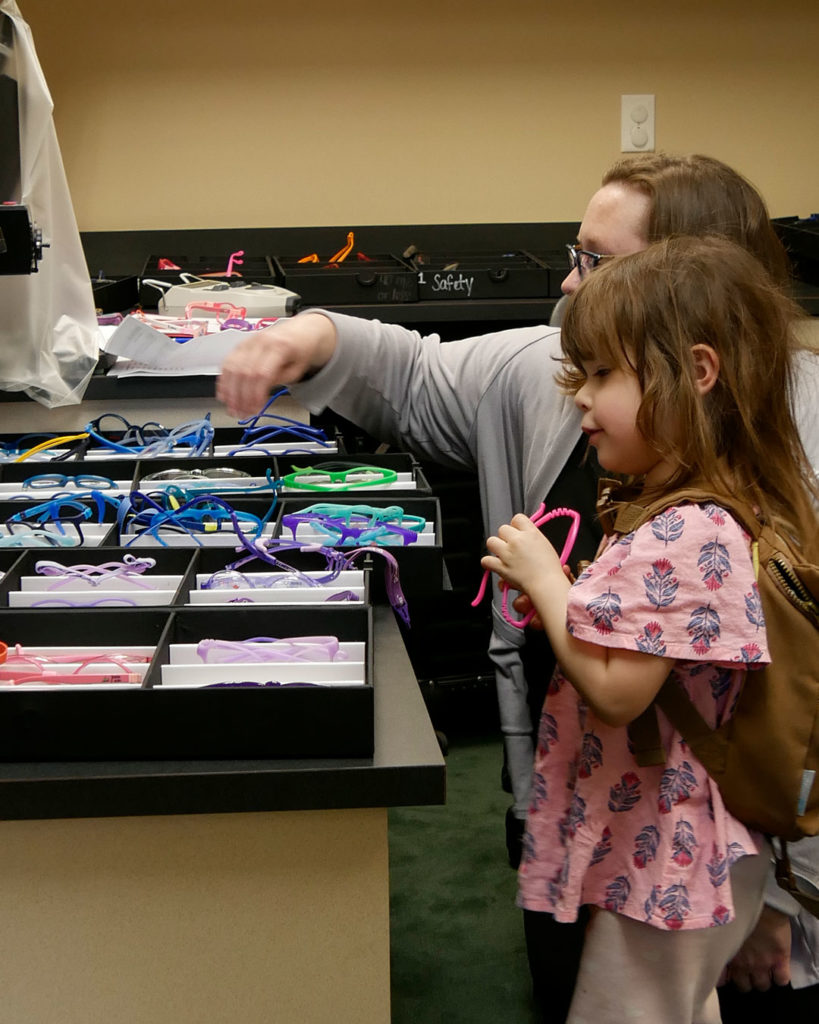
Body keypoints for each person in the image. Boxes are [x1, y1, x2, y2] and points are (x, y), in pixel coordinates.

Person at [217, 153, 819, 1020]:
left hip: (700, 862)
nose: (572, 286)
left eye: (600, 264)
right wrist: (304, 336)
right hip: (599, 818)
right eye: (574, 255)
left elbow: (790, 704)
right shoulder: (573, 374)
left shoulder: (770, 458)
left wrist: (779, 899)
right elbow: (414, 372)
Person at [479, 235, 819, 1023]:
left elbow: (617, 692)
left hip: (670, 840)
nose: (580, 398)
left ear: (697, 374)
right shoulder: (678, 511)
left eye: (603, 374)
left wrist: (546, 581)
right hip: (658, 833)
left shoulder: (689, 530)